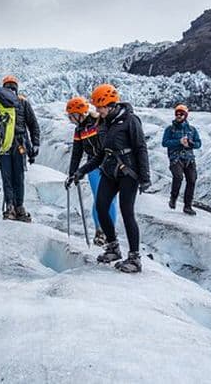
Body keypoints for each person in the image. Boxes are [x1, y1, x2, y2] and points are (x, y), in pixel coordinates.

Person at [67, 84, 151, 274]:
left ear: (110, 104)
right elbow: (100, 155)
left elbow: (140, 148)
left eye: (100, 107)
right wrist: (80, 171)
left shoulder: (130, 120)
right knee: (101, 207)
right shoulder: (104, 124)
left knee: (126, 211)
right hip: (109, 170)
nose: (97, 110)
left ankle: (135, 257)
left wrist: (145, 177)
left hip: (129, 172)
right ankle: (113, 247)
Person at [64, 96, 118, 246]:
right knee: (99, 199)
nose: (70, 119)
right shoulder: (79, 130)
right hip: (93, 166)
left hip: (108, 165)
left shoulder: (99, 122)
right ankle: (100, 230)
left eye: (71, 116)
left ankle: (110, 232)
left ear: (79, 113)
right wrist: (72, 174)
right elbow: (76, 153)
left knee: (111, 200)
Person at [0, 74, 40, 222]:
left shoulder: (3, 103)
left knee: (10, 176)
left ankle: (13, 206)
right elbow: (33, 125)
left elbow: (33, 125)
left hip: (9, 145)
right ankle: (16, 206)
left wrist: (35, 144)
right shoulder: (21, 103)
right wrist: (35, 145)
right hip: (15, 144)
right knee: (15, 176)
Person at [162, 104, 202, 216]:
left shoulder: (192, 130)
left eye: (181, 114)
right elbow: (164, 142)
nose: (178, 116)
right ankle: (173, 198)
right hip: (175, 158)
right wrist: (178, 142)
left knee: (192, 180)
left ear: (186, 115)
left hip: (189, 158)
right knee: (178, 177)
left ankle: (187, 206)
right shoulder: (170, 129)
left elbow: (199, 143)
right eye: (177, 114)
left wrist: (191, 143)